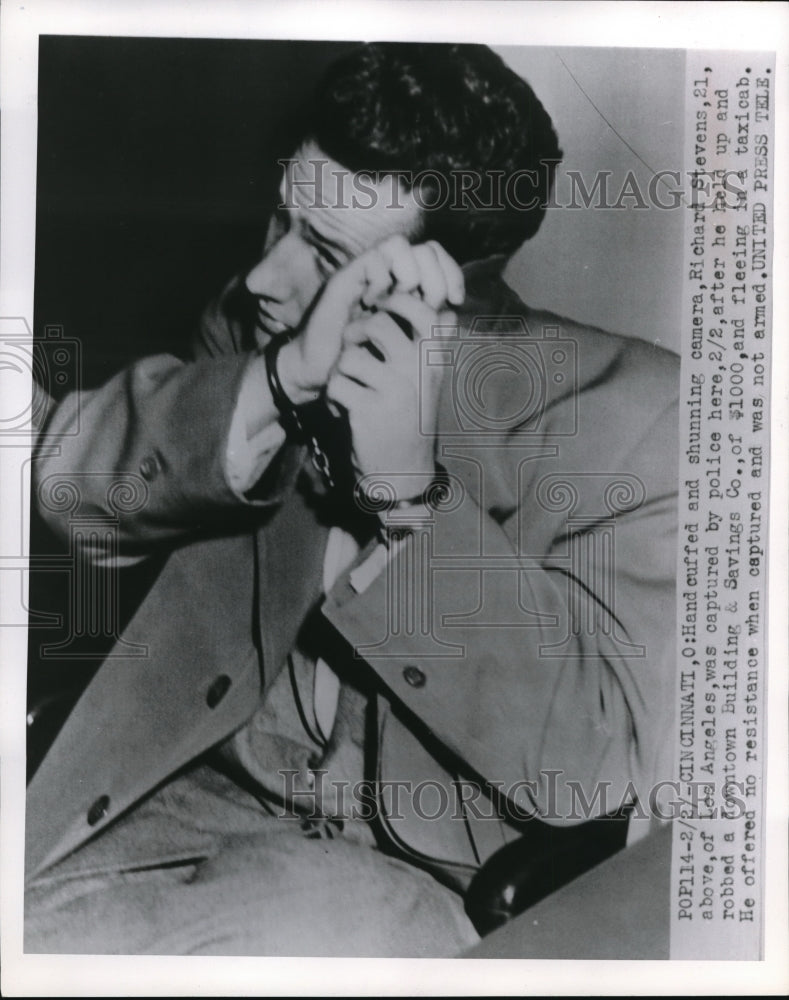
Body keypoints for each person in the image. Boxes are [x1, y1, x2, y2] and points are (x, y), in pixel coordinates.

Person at [25, 42, 679, 957]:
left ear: (447, 288)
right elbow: (68, 494)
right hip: (175, 804)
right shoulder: (261, 331)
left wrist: (413, 501)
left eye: (325, 252)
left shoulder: (634, 414)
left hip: (406, 874)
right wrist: (278, 383)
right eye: (280, 221)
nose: (264, 277)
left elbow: (592, 775)